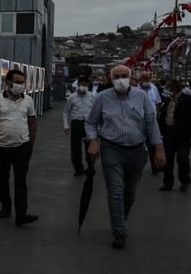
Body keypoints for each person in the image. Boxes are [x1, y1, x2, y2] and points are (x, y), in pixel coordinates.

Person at [85, 65, 165, 249]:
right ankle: (119, 230)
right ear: (111, 79)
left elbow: (151, 123)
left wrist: (159, 147)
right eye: (117, 76)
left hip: (137, 151)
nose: (121, 79)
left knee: (129, 194)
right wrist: (93, 140)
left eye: (124, 76)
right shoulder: (102, 98)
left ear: (130, 77)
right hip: (111, 149)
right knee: (116, 190)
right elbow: (91, 122)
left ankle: (119, 219)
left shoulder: (142, 97)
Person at [0, 69, 38, 226]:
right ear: (8, 83)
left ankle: (21, 215)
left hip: (22, 147)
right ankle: (5, 208)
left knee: (21, 180)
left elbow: (32, 123)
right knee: (2, 179)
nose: (21, 85)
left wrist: (30, 145)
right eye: (17, 82)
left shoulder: (28, 101)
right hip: (2, 147)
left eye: (22, 82)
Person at [158, 79, 191, 192]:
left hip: (182, 134)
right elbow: (163, 115)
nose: (167, 91)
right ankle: (168, 183)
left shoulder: (187, 99)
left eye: (169, 89)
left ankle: (185, 180)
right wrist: (161, 129)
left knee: (182, 158)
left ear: (175, 88)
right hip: (169, 133)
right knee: (167, 159)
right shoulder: (168, 100)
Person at [63, 76, 97, 176]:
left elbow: (96, 112)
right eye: (82, 85)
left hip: (88, 124)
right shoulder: (72, 97)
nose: (84, 87)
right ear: (78, 85)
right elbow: (66, 111)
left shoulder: (92, 97)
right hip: (76, 123)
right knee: (76, 149)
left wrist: (96, 127)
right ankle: (78, 169)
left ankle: (90, 167)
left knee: (90, 149)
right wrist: (66, 125)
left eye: (86, 85)